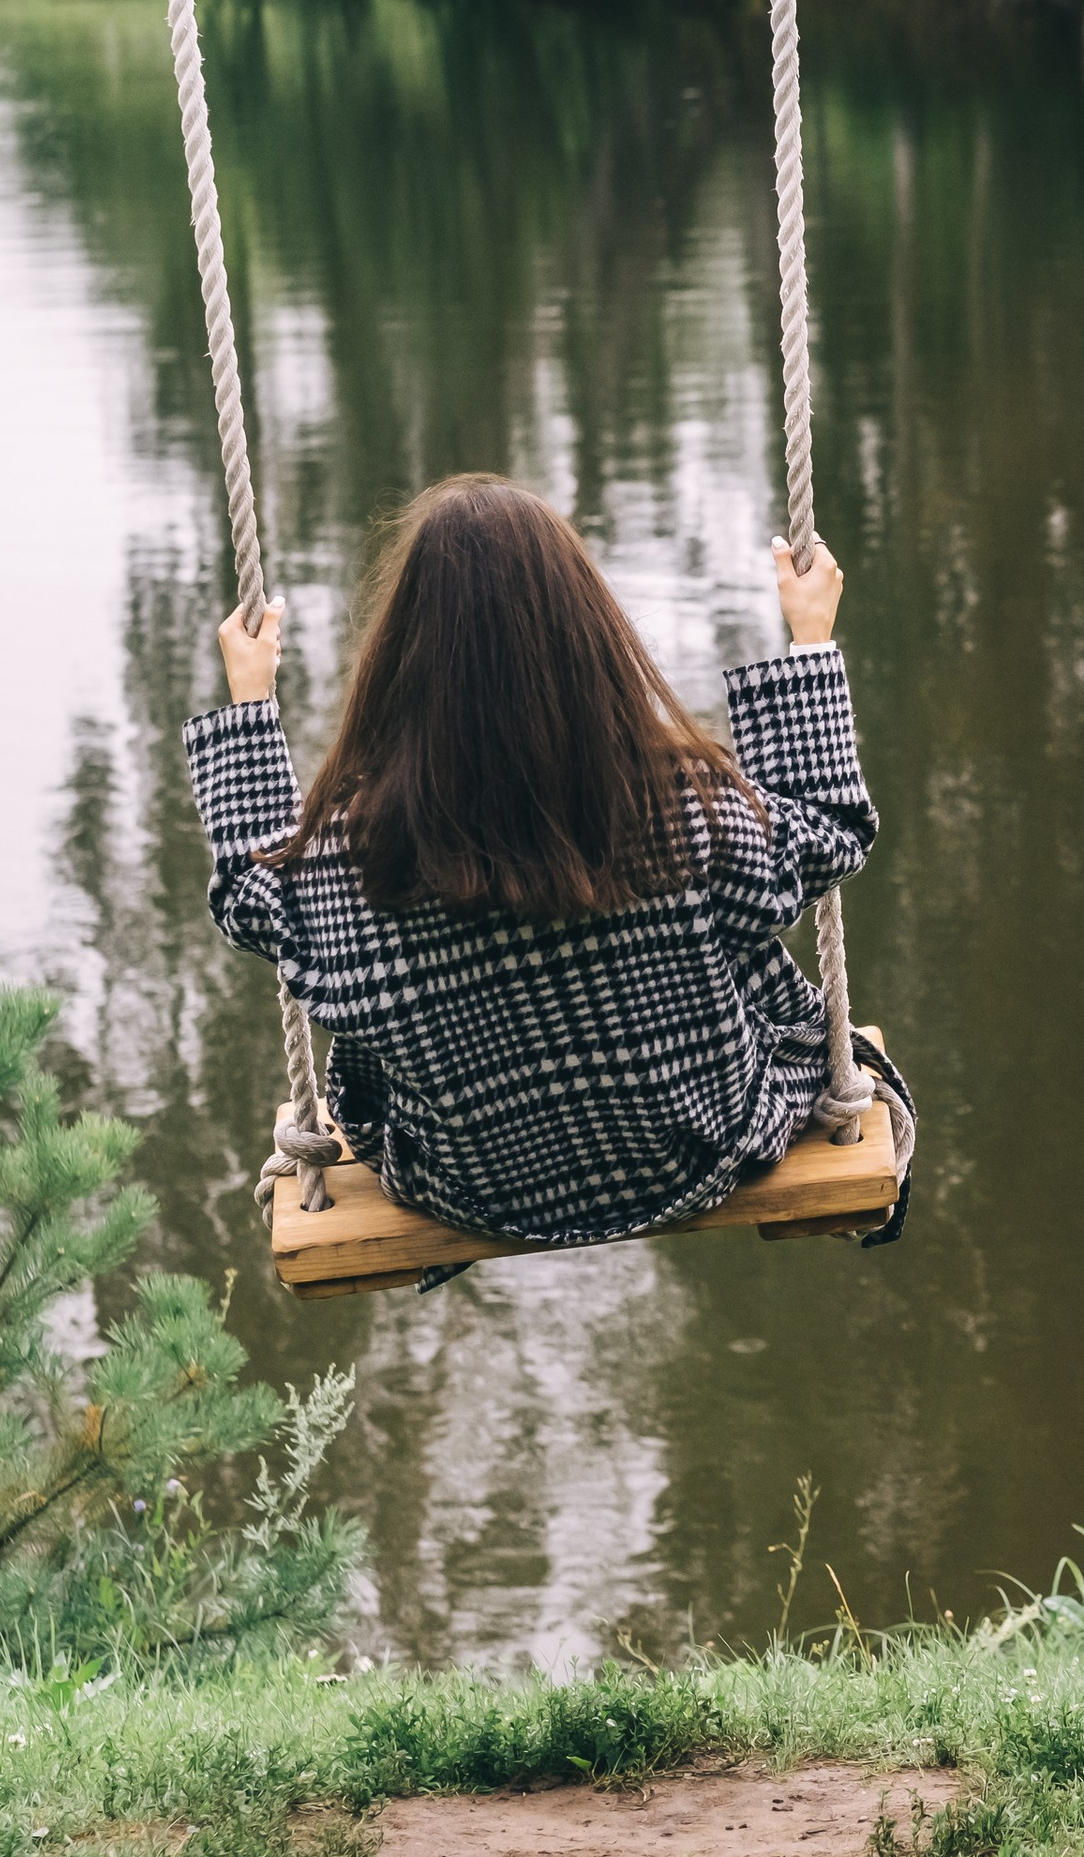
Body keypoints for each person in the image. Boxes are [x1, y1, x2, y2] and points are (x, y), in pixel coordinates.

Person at [185, 474, 903, 1273]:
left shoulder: (351, 865)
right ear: (588, 633)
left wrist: (249, 703)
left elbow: (252, 899)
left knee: (354, 1001)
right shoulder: (684, 814)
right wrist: (809, 644)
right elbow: (828, 830)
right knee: (741, 934)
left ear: (403, 657)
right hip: (702, 1155)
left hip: (469, 1187)